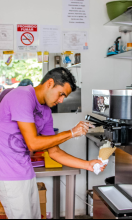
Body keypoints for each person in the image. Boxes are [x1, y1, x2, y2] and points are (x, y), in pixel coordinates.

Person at [0, 67, 106, 219]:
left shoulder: (46, 112)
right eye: (61, 94)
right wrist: (71, 133)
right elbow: (33, 144)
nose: (61, 100)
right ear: (50, 83)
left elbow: (55, 152)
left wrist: (88, 165)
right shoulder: (21, 96)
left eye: (65, 97)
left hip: (25, 171)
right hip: (7, 174)